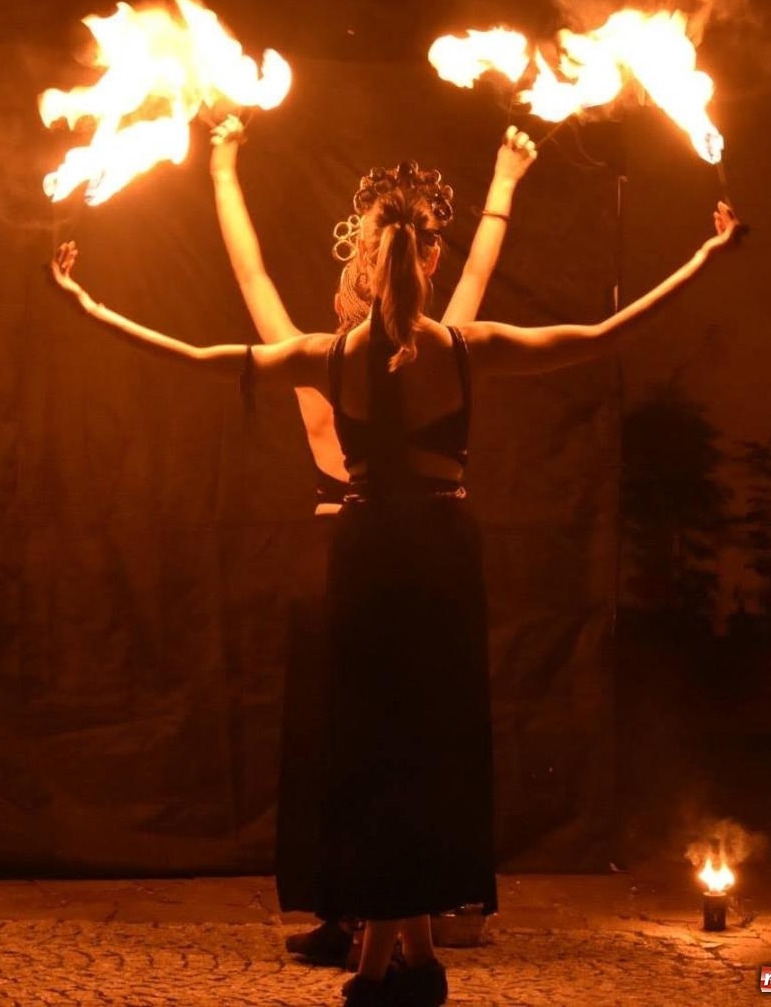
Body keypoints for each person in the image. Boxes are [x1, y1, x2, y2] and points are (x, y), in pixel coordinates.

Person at [50, 176, 742, 1006]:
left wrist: (83, 306)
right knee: (427, 749)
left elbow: (198, 360)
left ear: (368, 266)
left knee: (375, 750)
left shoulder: (329, 354)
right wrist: (707, 256)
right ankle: (405, 964)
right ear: (428, 259)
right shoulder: (465, 346)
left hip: (367, 552)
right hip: (442, 556)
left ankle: (395, 966)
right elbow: (602, 334)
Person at [207, 118, 537, 967]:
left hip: (339, 564)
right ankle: (388, 911)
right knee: (397, 733)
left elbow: (251, 273)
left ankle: (360, 912)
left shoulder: (324, 359)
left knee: (343, 741)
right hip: (377, 562)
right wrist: (503, 182)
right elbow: (481, 274)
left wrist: (222, 167)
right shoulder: (427, 351)